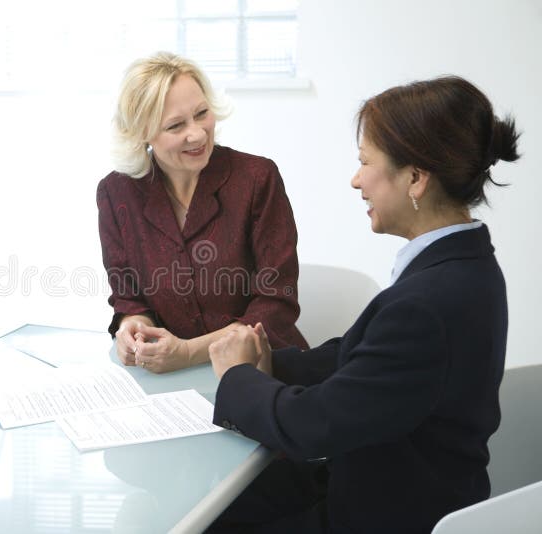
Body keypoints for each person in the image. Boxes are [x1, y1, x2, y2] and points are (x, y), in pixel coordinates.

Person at [207, 75, 520, 533]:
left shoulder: (427, 305)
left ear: (415, 177)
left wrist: (237, 378)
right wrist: (272, 363)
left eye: (365, 163)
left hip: (384, 514)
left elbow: (312, 426)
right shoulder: (466, 265)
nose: (356, 181)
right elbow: (364, 356)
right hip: (398, 485)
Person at [97, 52, 307, 374]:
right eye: (175, 125)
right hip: (170, 378)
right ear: (142, 134)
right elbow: (128, 296)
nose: (197, 134)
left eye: (202, 113)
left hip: (261, 370)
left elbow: (276, 302)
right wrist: (131, 327)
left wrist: (189, 352)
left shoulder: (256, 179)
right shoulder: (116, 193)